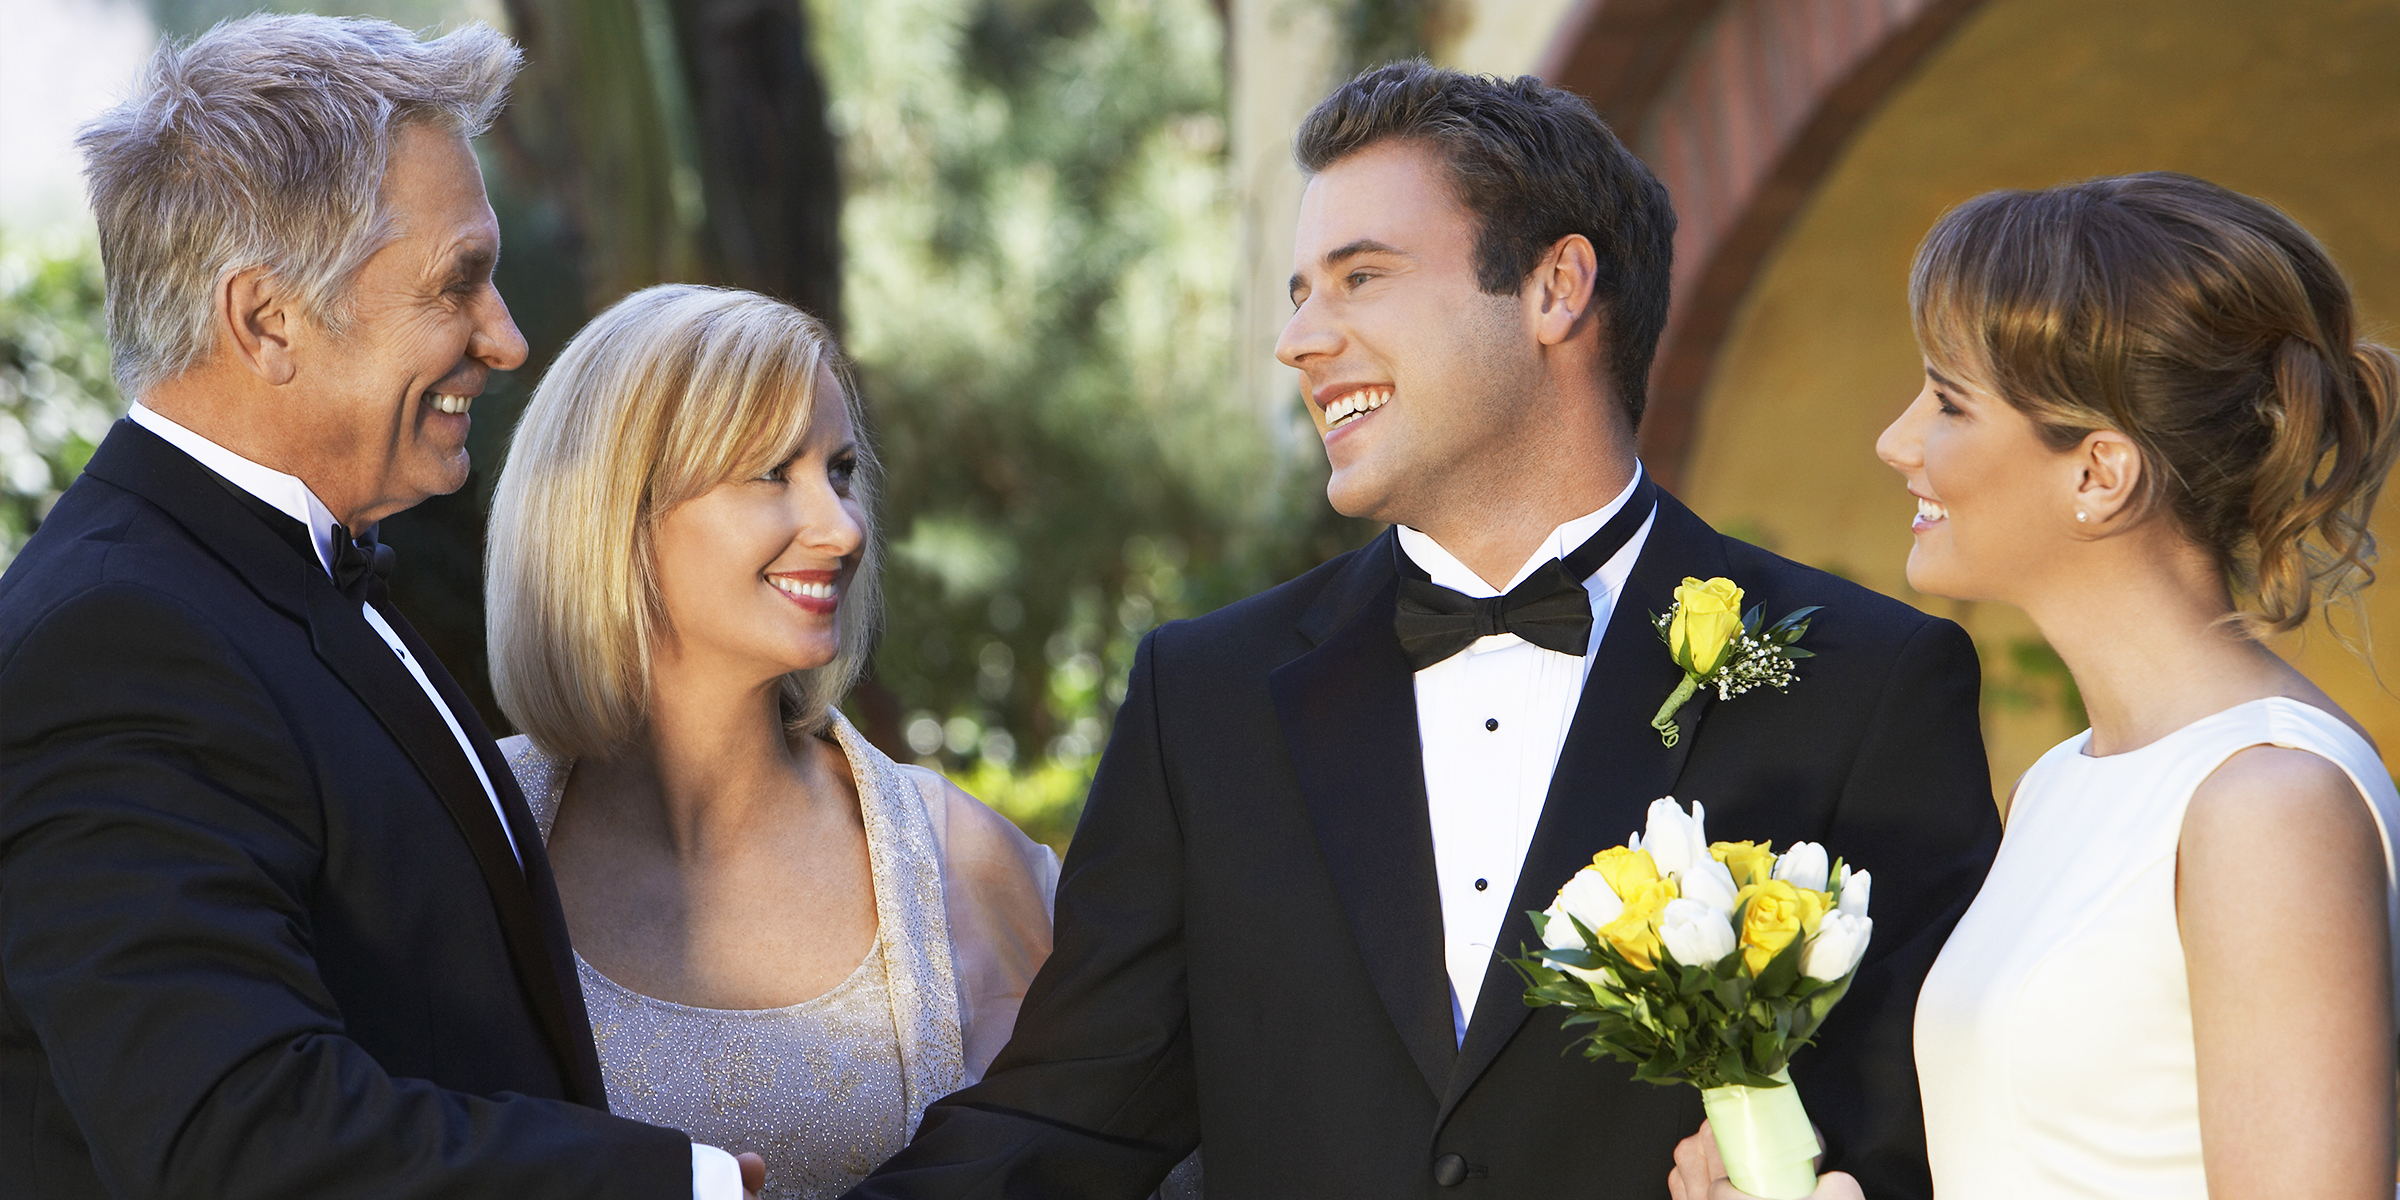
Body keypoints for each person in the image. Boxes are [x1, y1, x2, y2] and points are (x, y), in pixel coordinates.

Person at [848, 62, 2001, 1200]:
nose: (1302, 339)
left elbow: (1925, 1129)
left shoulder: (1861, 683)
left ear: (1557, 290)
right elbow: (1067, 1123)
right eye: (1300, 291)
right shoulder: (1203, 700)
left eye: (1361, 277)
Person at [0, 17, 759, 1199]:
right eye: (457, 283)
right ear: (266, 321)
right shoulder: (115, 642)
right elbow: (237, 1135)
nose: (505, 339)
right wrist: (682, 1187)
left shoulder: (272, 575)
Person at [1676, 173, 2400, 1199]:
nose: (1897, 443)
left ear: (2099, 474)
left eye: (1949, 401)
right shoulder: (2067, 783)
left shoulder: (2266, 805)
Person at [482, 284, 1068, 1200]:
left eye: (838, 470)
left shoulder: (966, 865)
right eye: (770, 474)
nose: (844, 528)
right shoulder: (461, 837)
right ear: (619, 514)